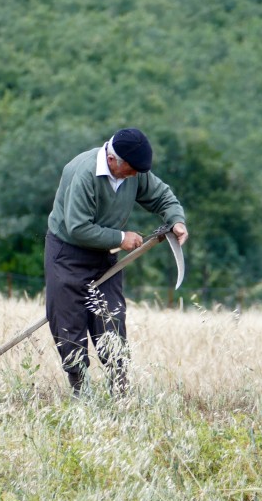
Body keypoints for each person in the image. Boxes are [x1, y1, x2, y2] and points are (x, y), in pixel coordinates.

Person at [45, 128, 188, 396]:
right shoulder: (85, 174)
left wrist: (176, 220)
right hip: (67, 254)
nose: (136, 175)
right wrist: (122, 237)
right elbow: (77, 228)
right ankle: (82, 396)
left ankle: (120, 394)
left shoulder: (133, 171)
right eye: (132, 170)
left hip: (105, 257)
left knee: (112, 320)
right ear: (114, 159)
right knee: (69, 326)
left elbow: (162, 196)